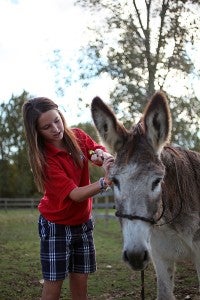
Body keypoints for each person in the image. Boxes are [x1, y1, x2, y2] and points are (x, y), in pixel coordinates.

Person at [22, 97, 114, 300]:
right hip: (56, 226)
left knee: (80, 285)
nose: (56, 128)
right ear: (37, 132)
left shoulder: (78, 137)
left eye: (57, 120)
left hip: (82, 224)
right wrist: (104, 182)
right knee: (53, 287)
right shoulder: (46, 160)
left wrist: (103, 156)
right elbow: (75, 195)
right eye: (47, 127)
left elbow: (95, 151)